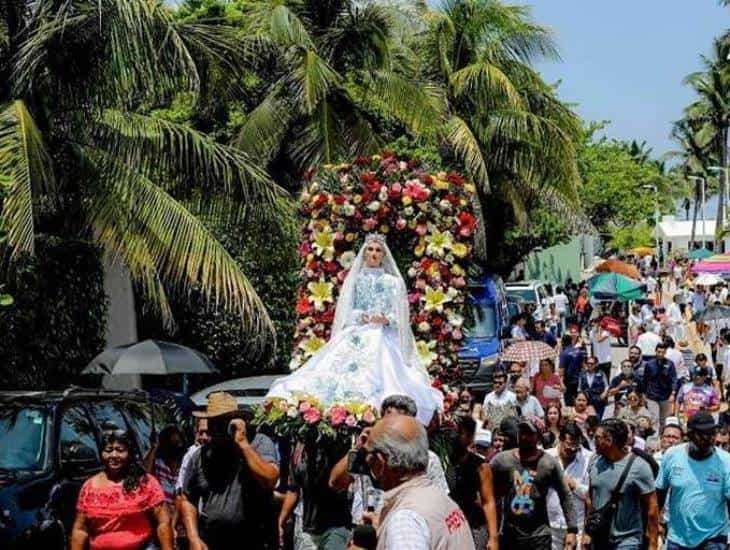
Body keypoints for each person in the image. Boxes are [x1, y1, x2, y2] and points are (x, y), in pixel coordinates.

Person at [267, 234, 442, 426]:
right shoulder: (356, 280)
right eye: (370, 249)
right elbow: (345, 312)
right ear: (364, 253)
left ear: (383, 254)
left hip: (384, 336)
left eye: (378, 250)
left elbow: (400, 315)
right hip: (358, 331)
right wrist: (361, 317)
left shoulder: (393, 282)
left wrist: (385, 319)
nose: (374, 253)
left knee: (391, 374)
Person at [328, 395, 449, 528]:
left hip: (405, 529)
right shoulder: (367, 454)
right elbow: (336, 482)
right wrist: (359, 448)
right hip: (365, 530)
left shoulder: (428, 459)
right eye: (386, 423)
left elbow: (439, 501)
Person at [180, 392, 280, 550]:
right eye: (213, 423)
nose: (216, 430)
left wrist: (243, 443)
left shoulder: (258, 443)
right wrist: (193, 537)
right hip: (213, 541)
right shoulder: (200, 456)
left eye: (222, 423)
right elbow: (187, 498)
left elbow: (270, 479)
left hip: (256, 541)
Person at [363, 414, 476, 549]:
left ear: (381, 461)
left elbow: (409, 531)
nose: (366, 461)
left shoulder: (405, 520)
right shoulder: (436, 495)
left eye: (368, 454)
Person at [70, 430, 173, 550]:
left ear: (129, 453)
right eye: (108, 450)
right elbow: (80, 530)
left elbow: (163, 521)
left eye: (120, 450)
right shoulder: (89, 487)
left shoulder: (145, 482)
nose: (114, 455)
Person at [490, 418, 577, 550]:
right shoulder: (502, 460)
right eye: (522, 432)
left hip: (539, 536)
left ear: (538, 437)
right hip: (510, 535)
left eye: (530, 433)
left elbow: (565, 495)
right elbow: (487, 489)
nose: (524, 437)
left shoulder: (548, 463)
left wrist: (572, 530)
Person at [656, 411, 730, 550]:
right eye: (702, 433)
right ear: (689, 434)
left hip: (713, 537)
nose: (708, 438)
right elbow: (659, 494)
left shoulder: (726, 461)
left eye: (711, 433)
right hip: (677, 538)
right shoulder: (672, 456)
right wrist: (655, 527)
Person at [585, 419, 658, 550]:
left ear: (609, 440)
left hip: (627, 540)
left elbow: (652, 507)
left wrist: (653, 544)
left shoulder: (639, 467)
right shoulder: (594, 461)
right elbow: (590, 497)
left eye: (597, 438)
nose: (593, 441)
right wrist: (587, 532)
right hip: (599, 537)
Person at [445, 415, 499, 549]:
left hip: (473, 525)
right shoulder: (443, 461)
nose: (454, 436)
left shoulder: (480, 466)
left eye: (459, 433)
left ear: (469, 437)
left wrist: (493, 538)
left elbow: (488, 501)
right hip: (446, 526)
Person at [546, 422, 593, 550]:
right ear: (560, 440)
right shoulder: (546, 457)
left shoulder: (588, 459)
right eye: (568, 446)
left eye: (575, 447)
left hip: (576, 526)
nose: (572, 450)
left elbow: (592, 495)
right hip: (550, 524)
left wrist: (574, 486)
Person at [643, 344, 677, 429]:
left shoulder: (670, 364)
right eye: (659, 352)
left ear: (665, 353)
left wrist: (673, 394)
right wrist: (644, 394)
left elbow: (673, 379)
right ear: (655, 351)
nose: (660, 354)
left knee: (664, 419)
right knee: (654, 418)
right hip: (652, 396)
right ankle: (654, 439)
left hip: (665, 396)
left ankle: (662, 437)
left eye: (662, 352)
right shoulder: (649, 364)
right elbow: (645, 380)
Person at [560, 330, 586, 406]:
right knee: (577, 401)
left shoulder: (564, 354)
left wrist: (561, 383)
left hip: (568, 381)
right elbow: (583, 367)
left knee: (568, 403)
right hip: (577, 380)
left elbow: (561, 371)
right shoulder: (579, 352)